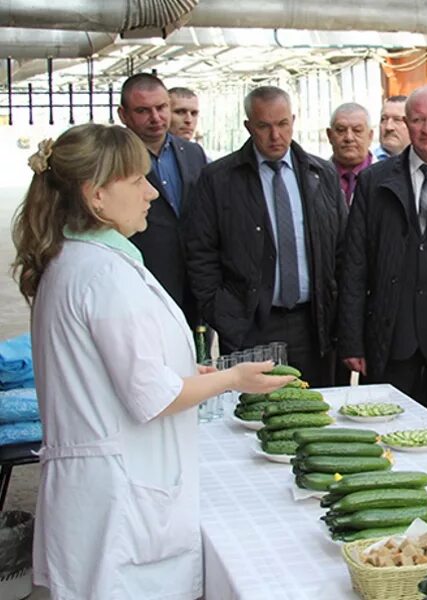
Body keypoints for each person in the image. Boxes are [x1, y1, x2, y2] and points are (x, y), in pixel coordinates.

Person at [10, 124, 295, 600]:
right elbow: (152, 397)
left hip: (103, 488)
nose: (152, 192)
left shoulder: (81, 262)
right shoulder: (104, 275)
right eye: (137, 181)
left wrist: (188, 374)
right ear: (96, 194)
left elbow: (124, 371)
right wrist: (231, 379)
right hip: (118, 496)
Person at [338, 84, 427, 428]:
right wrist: (351, 339)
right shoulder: (375, 182)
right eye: (418, 120)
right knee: (384, 431)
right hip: (391, 338)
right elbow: (355, 263)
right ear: (406, 123)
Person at [185, 86, 346, 387]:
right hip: (250, 323)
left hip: (313, 325)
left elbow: (341, 249)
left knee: (316, 412)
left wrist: (336, 311)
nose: (276, 136)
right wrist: (223, 314)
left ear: (293, 121)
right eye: (264, 126)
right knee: (255, 414)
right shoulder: (219, 179)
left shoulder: (320, 174)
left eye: (283, 124)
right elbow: (200, 253)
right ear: (248, 126)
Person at [118, 73, 207, 328]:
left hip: (195, 284)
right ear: (123, 115)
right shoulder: (116, 160)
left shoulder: (192, 153)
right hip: (144, 280)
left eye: (161, 108)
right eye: (143, 111)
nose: (156, 118)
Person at [327, 102, 374, 207]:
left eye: (357, 130)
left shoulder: (387, 176)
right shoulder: (315, 178)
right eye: (341, 130)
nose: (349, 138)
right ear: (329, 135)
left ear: (370, 136)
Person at [373, 95, 410, 160]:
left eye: (397, 120)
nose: (388, 127)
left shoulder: (426, 163)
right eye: (384, 119)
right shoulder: (366, 163)